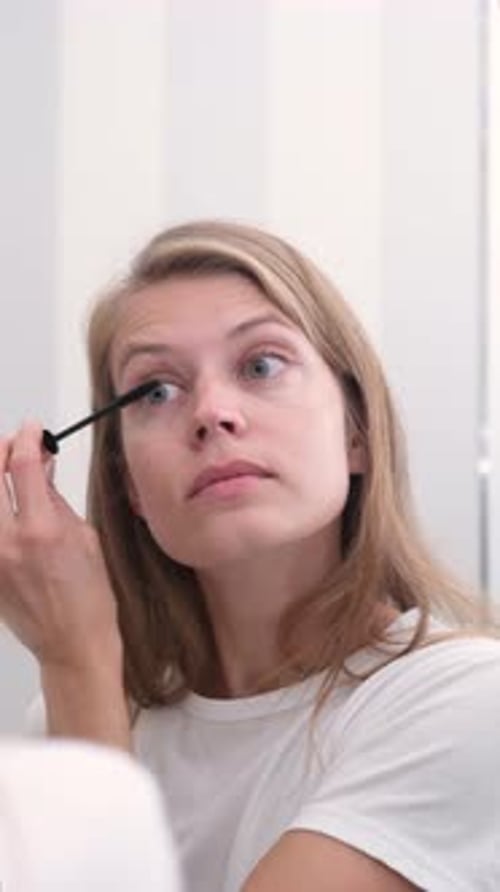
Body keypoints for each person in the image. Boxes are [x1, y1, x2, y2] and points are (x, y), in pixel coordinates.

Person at [1, 219, 499, 892]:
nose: (212, 413)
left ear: (356, 432)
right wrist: (78, 679)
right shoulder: (80, 711)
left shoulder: (471, 703)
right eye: (155, 390)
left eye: (261, 365)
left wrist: (75, 658)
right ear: (130, 486)